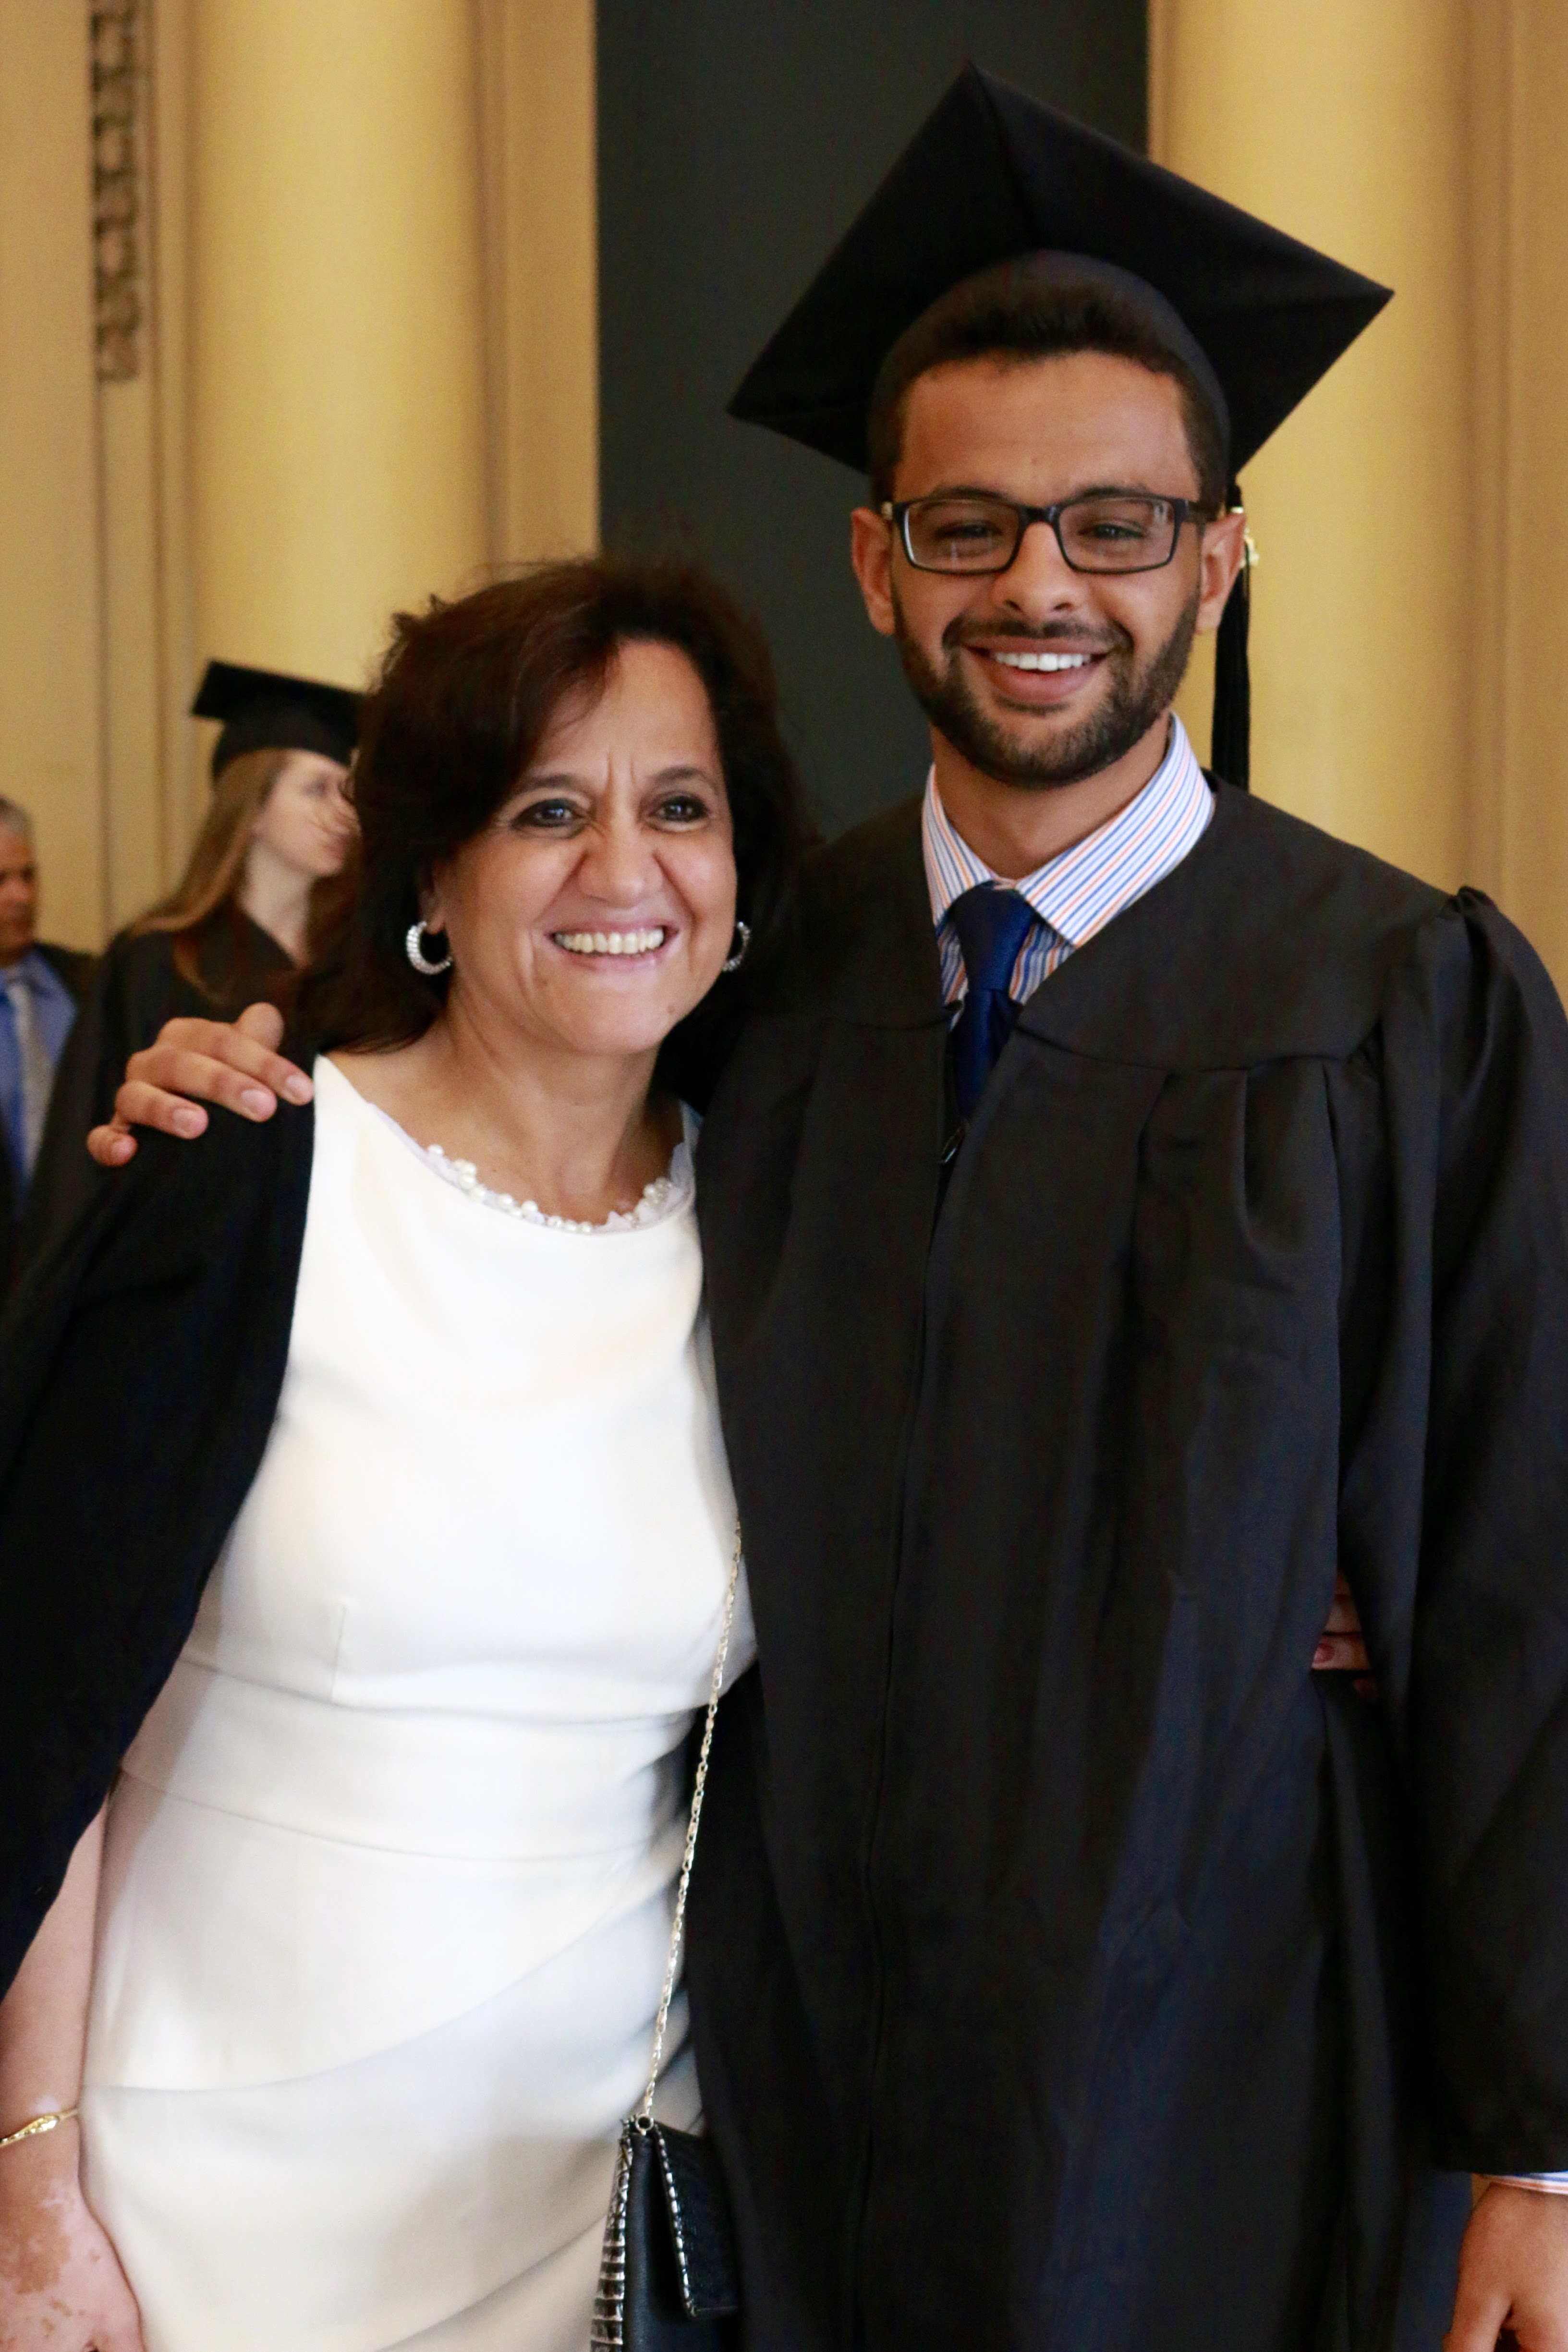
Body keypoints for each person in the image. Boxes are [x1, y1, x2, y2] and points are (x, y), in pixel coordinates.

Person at [96, 73, 1568, 2351]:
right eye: (971, 529)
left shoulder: (1398, 998)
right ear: (878, 561)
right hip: (784, 2081)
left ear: (1218, 553)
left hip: (1233, 2063)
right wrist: (235, 1067)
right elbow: (477, 1130)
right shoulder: (765, 970)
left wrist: (1534, 2144)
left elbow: (1519, 1575)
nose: (1042, 586)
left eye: (1113, 522)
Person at [0, 558, 808, 2351]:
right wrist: (29, 2185)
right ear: (433, 866)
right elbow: (37, 1711)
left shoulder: (773, 1235)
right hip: (187, 2202)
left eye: (678, 807)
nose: (623, 871)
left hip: (583, 2212)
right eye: (547, 810)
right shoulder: (246, 1172)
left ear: (741, 871)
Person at [18, 663, 358, 1265]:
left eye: (348, 791)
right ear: (251, 807)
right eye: (316, 788)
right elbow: (86, 1149)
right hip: (188, 1262)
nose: (342, 812)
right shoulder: (156, 961)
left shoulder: (357, 962)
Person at [0, 798, 92, 1270]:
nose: (21, 896)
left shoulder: (86, 982)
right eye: (1, 880)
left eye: (28, 876)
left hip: (81, 1262)